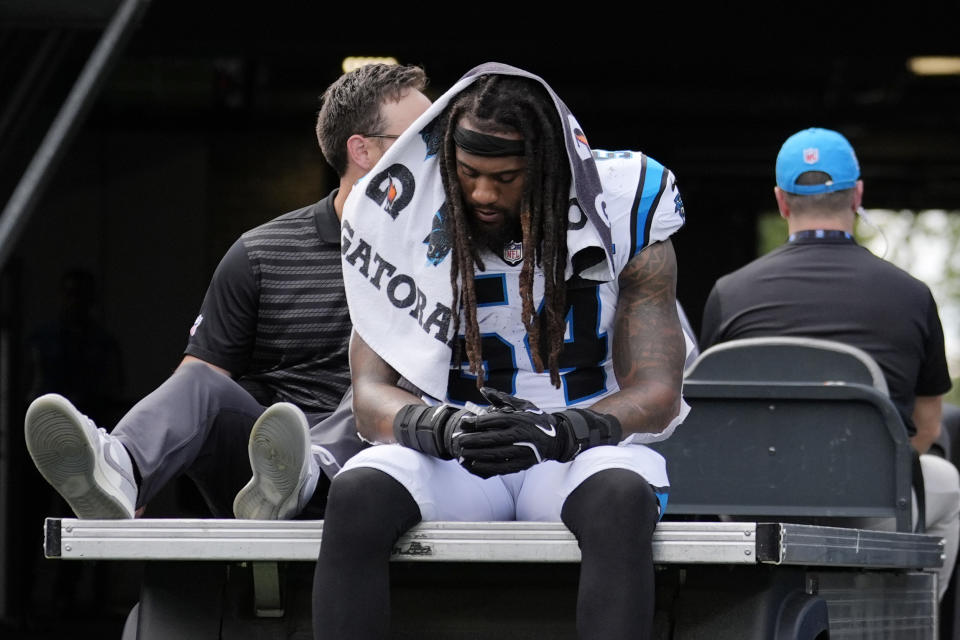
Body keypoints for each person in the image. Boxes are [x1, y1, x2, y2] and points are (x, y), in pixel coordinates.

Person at [303, 62, 689, 639]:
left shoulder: (622, 202)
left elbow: (658, 392)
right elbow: (368, 396)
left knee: (618, 499)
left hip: (577, 445)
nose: (483, 193)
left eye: (506, 177)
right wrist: (439, 427)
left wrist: (563, 432)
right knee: (358, 492)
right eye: (468, 173)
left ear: (549, 167)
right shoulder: (399, 205)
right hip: (459, 445)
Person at [23, 63, 432, 522]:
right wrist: (148, 471)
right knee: (201, 381)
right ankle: (121, 471)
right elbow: (196, 387)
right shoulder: (260, 253)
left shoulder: (442, 256)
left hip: (373, 471)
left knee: (395, 368)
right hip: (262, 478)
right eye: (421, 137)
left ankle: (311, 469)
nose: (437, 154)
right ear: (363, 150)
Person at [699, 126, 960, 598]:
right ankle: (906, 619)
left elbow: (707, 414)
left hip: (753, 504)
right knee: (948, 482)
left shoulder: (729, 293)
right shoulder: (912, 296)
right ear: (858, 195)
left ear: (781, 201)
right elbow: (924, 429)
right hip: (872, 502)